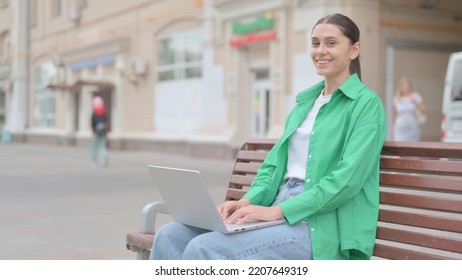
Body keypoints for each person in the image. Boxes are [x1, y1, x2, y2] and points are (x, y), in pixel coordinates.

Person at [149, 13, 386, 260]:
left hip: (319, 225)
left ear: (354, 50)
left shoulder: (366, 105)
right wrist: (246, 202)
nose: (320, 51)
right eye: (315, 43)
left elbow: (347, 181)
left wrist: (279, 211)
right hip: (278, 207)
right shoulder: (305, 103)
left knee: (205, 248)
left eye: (331, 43)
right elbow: (272, 168)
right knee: (170, 235)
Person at [90, 96, 109, 168]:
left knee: (94, 147)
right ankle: (105, 155)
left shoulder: (94, 113)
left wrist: (93, 130)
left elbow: (92, 123)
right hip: (103, 132)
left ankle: (93, 162)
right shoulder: (104, 112)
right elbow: (106, 121)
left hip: (96, 132)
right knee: (102, 146)